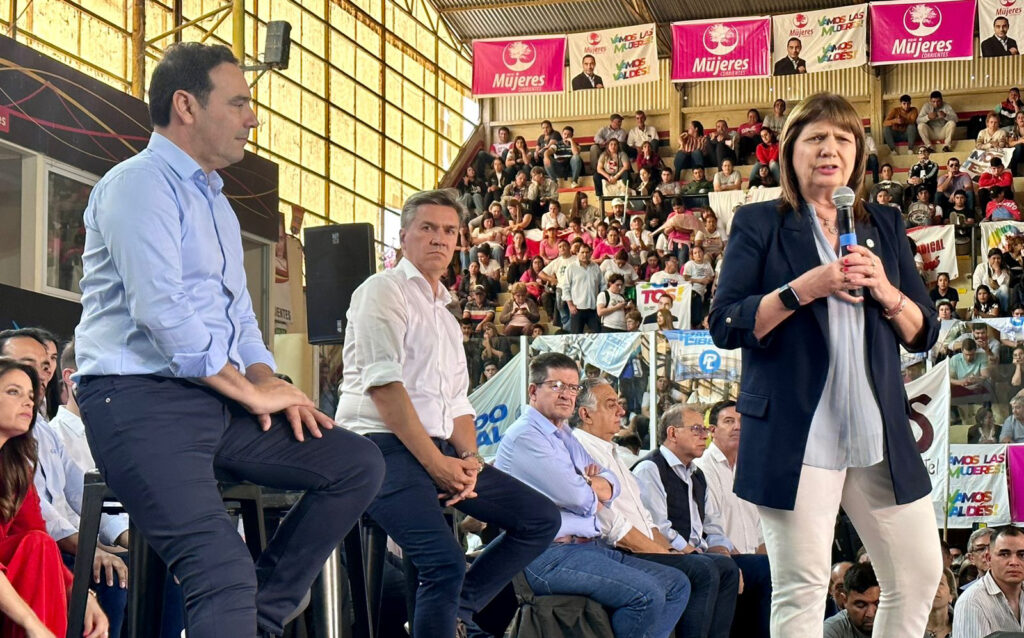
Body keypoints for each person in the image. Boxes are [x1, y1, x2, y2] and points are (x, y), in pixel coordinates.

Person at [74, 43, 383, 638]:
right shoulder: (137, 185)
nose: (253, 117)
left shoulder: (215, 200)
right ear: (186, 105)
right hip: (136, 403)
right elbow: (164, 314)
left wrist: (266, 377)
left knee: (355, 462)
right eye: (239, 102)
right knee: (220, 571)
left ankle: (253, 620)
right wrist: (250, 390)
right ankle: (237, 610)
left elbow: (236, 312)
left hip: (216, 400)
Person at [708, 92, 943, 638]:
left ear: (858, 154)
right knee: (802, 589)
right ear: (790, 152)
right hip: (796, 432)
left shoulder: (882, 222)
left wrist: (885, 288)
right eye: (815, 138)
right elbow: (726, 323)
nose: (829, 149)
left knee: (919, 575)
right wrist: (802, 289)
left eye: (842, 139)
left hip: (877, 430)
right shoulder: (759, 222)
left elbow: (923, 331)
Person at [338, 188, 560, 637]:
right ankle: (445, 603)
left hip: (436, 447)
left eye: (449, 231)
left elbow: (458, 403)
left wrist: (470, 462)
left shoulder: (443, 312)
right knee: (442, 561)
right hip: (379, 447)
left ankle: (456, 605)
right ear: (404, 237)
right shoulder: (383, 291)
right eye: (428, 228)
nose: (439, 239)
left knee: (540, 519)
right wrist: (437, 464)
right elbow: (385, 389)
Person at [494, 354, 690, 638]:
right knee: (647, 594)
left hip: (587, 548)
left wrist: (594, 485)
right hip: (546, 555)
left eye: (572, 387)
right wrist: (591, 486)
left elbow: (610, 485)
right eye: (557, 385)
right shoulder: (526, 435)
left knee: (676, 584)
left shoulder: (562, 435)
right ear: (533, 391)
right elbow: (580, 498)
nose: (567, 394)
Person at [571, 378, 740, 638]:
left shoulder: (612, 450)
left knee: (725, 567)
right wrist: (668, 552)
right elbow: (612, 523)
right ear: (585, 414)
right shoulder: (582, 449)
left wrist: (669, 550)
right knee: (703, 570)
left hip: (643, 545)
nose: (621, 411)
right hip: (617, 549)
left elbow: (647, 520)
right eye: (611, 405)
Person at [633, 405, 772, 638]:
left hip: (697, 553)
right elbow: (658, 528)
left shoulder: (696, 474)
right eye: (696, 429)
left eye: (705, 429)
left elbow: (712, 526)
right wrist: (694, 552)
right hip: (664, 553)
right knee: (709, 567)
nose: (704, 435)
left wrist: (724, 552)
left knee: (761, 567)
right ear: (672, 433)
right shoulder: (651, 468)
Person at [0, 357, 108, 638]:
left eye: (30, 395)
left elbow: (37, 537)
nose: (28, 402)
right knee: (39, 545)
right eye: (13, 392)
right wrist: (32, 623)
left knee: (41, 544)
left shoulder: (16, 469)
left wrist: (79, 593)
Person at [693, 401, 764, 555]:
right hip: (725, 559)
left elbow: (761, 527)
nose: (738, 427)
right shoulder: (701, 468)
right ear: (712, 430)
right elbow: (711, 527)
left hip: (754, 560)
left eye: (741, 422)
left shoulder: (750, 468)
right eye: (729, 421)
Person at [953, 526, 1024, 636]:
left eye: (1022, 555)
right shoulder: (971, 601)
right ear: (989, 558)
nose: (1014, 562)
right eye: (1004, 554)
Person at [822, 563, 879, 638]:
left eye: (878, 604)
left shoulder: (896, 619)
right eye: (861, 605)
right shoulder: (832, 629)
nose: (870, 614)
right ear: (845, 600)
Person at [562, 243, 606, 334]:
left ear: (591, 253)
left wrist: (601, 302)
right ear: (577, 253)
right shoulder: (571, 268)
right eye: (582, 252)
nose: (585, 255)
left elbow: (603, 285)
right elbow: (565, 288)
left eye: (587, 252)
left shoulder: (596, 267)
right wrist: (570, 305)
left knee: (598, 334)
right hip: (577, 309)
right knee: (576, 337)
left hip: (593, 309)